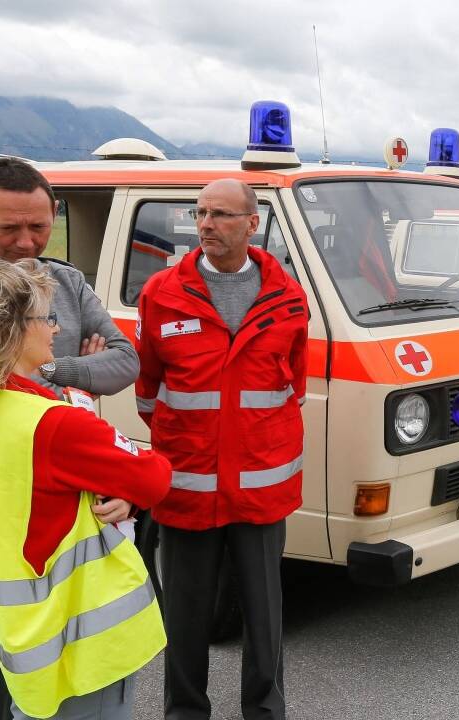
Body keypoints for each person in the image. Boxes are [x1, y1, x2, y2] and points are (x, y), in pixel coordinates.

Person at [0, 157, 140, 720]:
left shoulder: (66, 281)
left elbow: (126, 361)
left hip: (57, 491)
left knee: (56, 640)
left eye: (40, 226)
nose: (27, 242)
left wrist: (51, 370)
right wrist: (64, 371)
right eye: (8, 228)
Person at [136, 179, 309, 718]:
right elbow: (148, 391)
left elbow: (292, 388)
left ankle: (265, 711)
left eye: (221, 215)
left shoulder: (287, 297)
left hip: (261, 488)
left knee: (264, 615)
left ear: (252, 224)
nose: (206, 224)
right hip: (188, 488)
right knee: (186, 618)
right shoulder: (161, 293)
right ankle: (185, 711)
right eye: (201, 213)